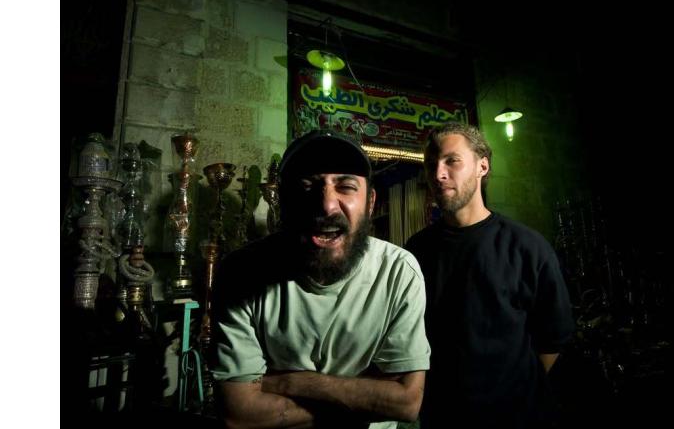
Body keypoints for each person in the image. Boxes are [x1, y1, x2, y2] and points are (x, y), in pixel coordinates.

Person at [210, 129, 431, 429]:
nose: (326, 205)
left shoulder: (398, 272)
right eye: (307, 186)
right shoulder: (241, 273)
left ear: (370, 203)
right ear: (284, 201)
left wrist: (288, 383)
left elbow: (405, 403)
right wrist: (366, 396)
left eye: (346, 187)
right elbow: (239, 413)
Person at [405, 123, 575, 429]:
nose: (438, 174)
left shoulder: (526, 247)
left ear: (482, 166)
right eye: (431, 165)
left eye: (452, 161)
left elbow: (553, 340)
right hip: (442, 419)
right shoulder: (416, 251)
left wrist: (509, 393)